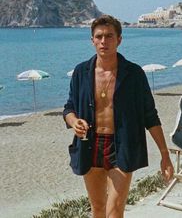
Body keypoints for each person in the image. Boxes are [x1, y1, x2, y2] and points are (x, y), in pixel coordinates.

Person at [63, 14, 174, 218]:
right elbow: (69, 107)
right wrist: (74, 121)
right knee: (97, 208)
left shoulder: (134, 74)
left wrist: (165, 155)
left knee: (114, 211)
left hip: (122, 146)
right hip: (90, 145)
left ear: (119, 39)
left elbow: (150, 115)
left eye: (109, 36)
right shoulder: (80, 72)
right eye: (99, 37)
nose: (103, 41)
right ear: (92, 40)